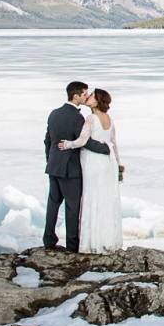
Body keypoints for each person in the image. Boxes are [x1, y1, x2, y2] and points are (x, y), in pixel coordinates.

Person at [42, 81, 110, 252]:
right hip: (70, 170)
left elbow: (47, 140)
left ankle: (48, 240)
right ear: (76, 96)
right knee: (73, 207)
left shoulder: (54, 114)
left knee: (53, 203)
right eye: (85, 94)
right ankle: (72, 246)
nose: (86, 97)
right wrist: (105, 148)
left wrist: (50, 160)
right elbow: (85, 142)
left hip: (54, 166)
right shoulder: (77, 117)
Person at [58, 87, 125, 253]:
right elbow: (114, 144)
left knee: (92, 198)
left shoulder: (91, 118)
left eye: (92, 96)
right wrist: (119, 165)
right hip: (108, 164)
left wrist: (67, 144)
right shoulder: (109, 119)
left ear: (97, 101)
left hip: (93, 163)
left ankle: (92, 242)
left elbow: (81, 141)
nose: (88, 97)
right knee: (106, 200)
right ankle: (108, 240)